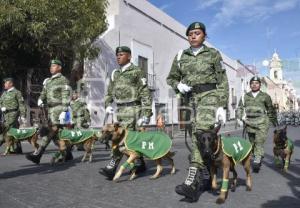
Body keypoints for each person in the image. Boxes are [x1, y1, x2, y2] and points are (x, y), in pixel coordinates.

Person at [166, 22, 229, 202]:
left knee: (200, 135)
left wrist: (221, 106)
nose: (193, 36)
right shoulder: (180, 56)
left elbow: (222, 81)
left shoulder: (213, 54)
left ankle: (191, 183)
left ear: (204, 36)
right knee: (197, 139)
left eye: (197, 33)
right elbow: (171, 78)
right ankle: (208, 174)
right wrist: (178, 85)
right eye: (190, 33)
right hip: (189, 101)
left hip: (209, 97)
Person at [99, 46, 153, 179]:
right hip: (120, 109)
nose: (118, 57)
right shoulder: (115, 73)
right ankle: (139, 163)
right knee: (132, 140)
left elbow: (144, 92)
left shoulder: (137, 71)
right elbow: (110, 92)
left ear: (129, 56)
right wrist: (107, 104)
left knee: (120, 138)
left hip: (133, 109)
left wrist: (146, 113)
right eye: (117, 55)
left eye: (121, 54)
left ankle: (112, 166)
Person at [26, 59, 72, 164]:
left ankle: (38, 154)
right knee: (57, 134)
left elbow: (66, 95)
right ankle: (68, 152)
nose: (51, 67)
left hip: (59, 108)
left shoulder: (63, 80)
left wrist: (64, 110)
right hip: (50, 109)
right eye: (51, 66)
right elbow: (44, 92)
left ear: (59, 68)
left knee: (50, 130)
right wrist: (41, 98)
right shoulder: (49, 81)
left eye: (54, 66)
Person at [237, 76, 277, 173]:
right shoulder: (245, 96)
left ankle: (257, 158)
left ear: (260, 85)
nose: (254, 85)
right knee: (252, 142)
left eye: (256, 83)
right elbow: (240, 108)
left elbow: (270, 109)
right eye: (252, 83)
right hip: (249, 123)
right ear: (250, 85)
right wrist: (241, 117)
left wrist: (272, 120)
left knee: (259, 141)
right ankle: (257, 155)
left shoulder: (265, 96)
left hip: (262, 122)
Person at [0, 78, 27, 153]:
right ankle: (17, 149)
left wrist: (23, 115)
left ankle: (13, 148)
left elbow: (21, 104)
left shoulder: (17, 92)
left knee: (7, 131)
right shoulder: (4, 93)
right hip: (5, 115)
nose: (4, 84)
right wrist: (1, 107)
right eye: (4, 83)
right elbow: (0, 102)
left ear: (11, 84)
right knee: (14, 132)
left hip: (13, 114)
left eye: (6, 83)